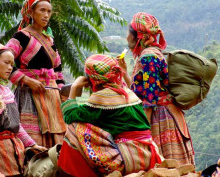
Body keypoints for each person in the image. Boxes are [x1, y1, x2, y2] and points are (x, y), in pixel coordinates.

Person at [57, 54, 163, 176]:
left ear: (91, 79)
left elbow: (69, 116)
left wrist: (74, 87)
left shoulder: (101, 99)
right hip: (150, 155)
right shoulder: (129, 94)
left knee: (74, 128)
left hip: (127, 160)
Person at [118, 12, 195, 165]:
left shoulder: (148, 57)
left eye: (128, 33)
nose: (127, 37)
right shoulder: (149, 55)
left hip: (160, 118)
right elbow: (141, 89)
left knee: (164, 165)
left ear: (136, 36)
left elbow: (150, 98)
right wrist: (124, 73)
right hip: (162, 113)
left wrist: (144, 132)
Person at [5, 0, 66, 147]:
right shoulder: (21, 37)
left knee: (56, 144)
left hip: (52, 98)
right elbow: (2, 60)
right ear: (31, 13)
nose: (46, 15)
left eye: (49, 12)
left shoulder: (50, 40)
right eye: (42, 10)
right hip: (29, 96)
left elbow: (58, 70)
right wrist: (25, 80)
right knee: (32, 142)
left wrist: (62, 93)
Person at [0, 42, 46, 176]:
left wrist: (32, 145)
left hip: (13, 150)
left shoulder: (7, 91)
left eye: (11, 64)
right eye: (6, 63)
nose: (10, 68)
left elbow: (16, 125)